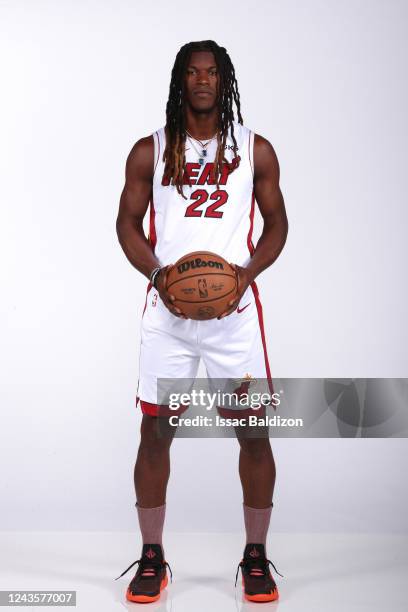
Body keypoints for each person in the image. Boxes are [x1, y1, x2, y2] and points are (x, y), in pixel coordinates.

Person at [115, 39, 288, 603]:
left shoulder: (255, 150)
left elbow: (279, 223)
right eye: (192, 72)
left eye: (212, 72)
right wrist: (159, 277)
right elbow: (126, 224)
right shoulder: (151, 151)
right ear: (179, 81)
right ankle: (152, 556)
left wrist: (246, 274)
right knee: (155, 432)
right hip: (168, 315)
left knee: (253, 432)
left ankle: (256, 557)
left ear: (225, 79)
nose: (203, 81)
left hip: (233, 316)